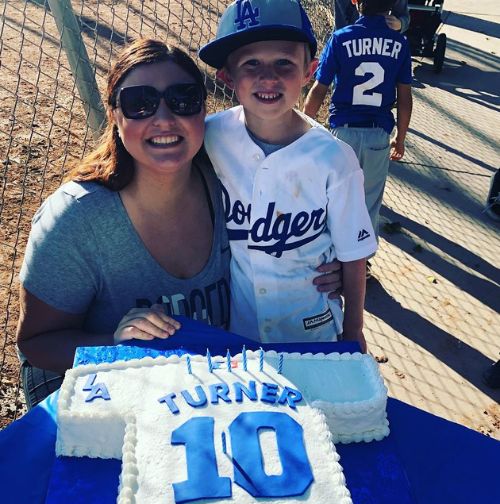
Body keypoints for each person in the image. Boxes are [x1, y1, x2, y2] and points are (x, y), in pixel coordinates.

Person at [17, 37, 341, 409]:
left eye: (183, 99)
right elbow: (36, 345)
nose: (165, 119)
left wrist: (316, 267)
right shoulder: (76, 220)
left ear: (204, 110)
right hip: (103, 407)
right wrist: (116, 346)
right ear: (114, 114)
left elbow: (290, 225)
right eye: (140, 103)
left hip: (209, 397)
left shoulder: (227, 184)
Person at [199, 0, 377, 351]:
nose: (269, 77)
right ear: (227, 76)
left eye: (284, 62)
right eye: (251, 63)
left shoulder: (334, 157)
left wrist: (354, 328)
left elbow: (353, 253)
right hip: (239, 330)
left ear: (309, 71)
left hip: (313, 326)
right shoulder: (210, 137)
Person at [304, 0, 413, 250]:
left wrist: (303, 128)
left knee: (334, 198)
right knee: (369, 202)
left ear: (355, 2)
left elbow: (319, 90)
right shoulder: (400, 43)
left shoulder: (341, 38)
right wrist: (401, 137)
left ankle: (331, 254)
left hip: (342, 132)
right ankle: (360, 261)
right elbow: (405, 97)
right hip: (377, 133)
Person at [334, 0, 410, 32]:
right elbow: (340, 25)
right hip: (350, 43)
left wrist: (400, 24)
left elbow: (404, 16)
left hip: (383, 43)